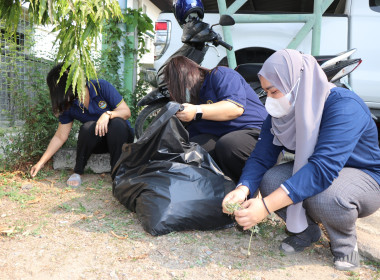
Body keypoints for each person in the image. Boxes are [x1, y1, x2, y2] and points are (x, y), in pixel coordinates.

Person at [222, 49, 380, 271]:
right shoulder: (282, 112)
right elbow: (261, 156)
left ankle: (345, 245)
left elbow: (322, 169)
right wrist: (243, 188)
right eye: (266, 92)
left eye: (274, 91)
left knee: (327, 196)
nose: (270, 99)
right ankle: (306, 230)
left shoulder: (344, 106)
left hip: (363, 177)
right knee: (271, 179)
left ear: (296, 83)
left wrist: (265, 206)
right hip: (318, 168)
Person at [164, 56, 268, 183]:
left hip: (259, 137)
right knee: (193, 150)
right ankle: (220, 191)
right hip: (224, 140)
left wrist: (197, 110)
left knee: (229, 144)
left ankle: (252, 188)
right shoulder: (195, 99)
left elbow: (235, 108)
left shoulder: (221, 74)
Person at [30, 63, 134, 186]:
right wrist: (41, 162)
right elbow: (60, 136)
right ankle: (77, 172)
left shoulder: (100, 86)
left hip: (121, 138)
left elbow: (126, 112)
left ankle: (117, 173)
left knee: (117, 123)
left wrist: (107, 114)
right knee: (87, 127)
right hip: (100, 142)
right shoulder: (68, 104)